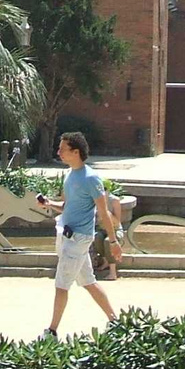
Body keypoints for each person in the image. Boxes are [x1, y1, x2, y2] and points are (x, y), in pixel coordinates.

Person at [34, 130, 123, 339]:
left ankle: (52, 331)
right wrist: (48, 203)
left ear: (75, 152)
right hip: (67, 236)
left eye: (62, 149)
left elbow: (103, 212)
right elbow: (67, 206)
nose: (58, 152)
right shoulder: (71, 175)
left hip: (78, 240)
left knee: (61, 285)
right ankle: (115, 322)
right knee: (89, 282)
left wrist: (113, 241)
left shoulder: (91, 178)